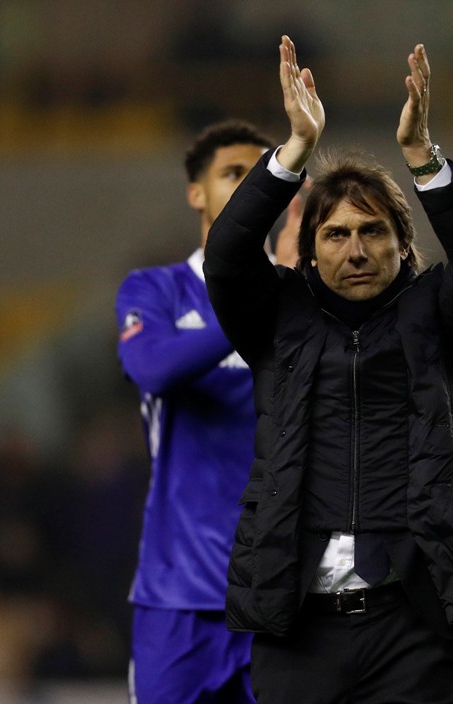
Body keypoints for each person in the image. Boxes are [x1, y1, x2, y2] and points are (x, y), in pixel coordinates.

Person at [202, 36, 453, 704]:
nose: (356, 249)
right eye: (336, 234)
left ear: (404, 243)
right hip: (299, 625)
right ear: (310, 253)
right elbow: (227, 258)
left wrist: (426, 162)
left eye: (373, 232)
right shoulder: (278, 317)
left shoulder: (442, 320)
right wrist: (292, 155)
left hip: (412, 624)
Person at [115, 119, 299, 704]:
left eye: (260, 175)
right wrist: (259, 300)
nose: (248, 187)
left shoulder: (305, 298)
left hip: (282, 593)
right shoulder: (156, 290)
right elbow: (153, 370)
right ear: (196, 192)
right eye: (232, 173)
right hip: (179, 598)